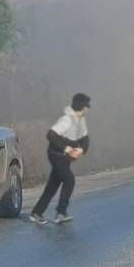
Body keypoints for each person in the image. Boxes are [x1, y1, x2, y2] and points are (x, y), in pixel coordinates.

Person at [30, 93, 90, 225]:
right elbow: (51, 135)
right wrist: (66, 149)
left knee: (53, 184)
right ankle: (61, 212)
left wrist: (81, 150)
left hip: (65, 158)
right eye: (86, 106)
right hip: (56, 155)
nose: (88, 109)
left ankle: (37, 212)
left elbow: (85, 140)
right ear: (81, 106)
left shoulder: (81, 121)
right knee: (69, 179)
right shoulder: (67, 119)